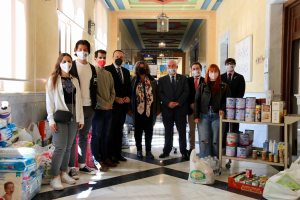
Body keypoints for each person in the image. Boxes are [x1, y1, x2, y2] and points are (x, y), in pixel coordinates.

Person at [46, 53, 84, 190]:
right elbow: (49, 101)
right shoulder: (53, 79)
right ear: (59, 62)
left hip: (74, 116)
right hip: (60, 116)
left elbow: (79, 101)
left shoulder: (74, 80)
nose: (67, 63)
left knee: (69, 146)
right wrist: (50, 120)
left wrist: (81, 118)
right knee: (60, 147)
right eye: (64, 61)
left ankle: (64, 173)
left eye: (69, 61)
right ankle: (54, 177)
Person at [68, 40, 97, 179]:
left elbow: (94, 87)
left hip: (89, 106)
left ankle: (82, 164)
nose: (83, 51)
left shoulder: (92, 68)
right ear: (75, 50)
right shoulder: (71, 66)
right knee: (73, 137)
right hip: (75, 107)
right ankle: (71, 167)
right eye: (80, 49)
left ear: (89, 52)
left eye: (85, 49)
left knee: (84, 136)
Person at [194, 64, 231, 158]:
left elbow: (228, 101)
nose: (213, 73)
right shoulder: (202, 85)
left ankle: (215, 162)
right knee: (204, 140)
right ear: (208, 73)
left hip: (218, 117)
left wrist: (222, 109)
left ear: (218, 73)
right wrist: (196, 115)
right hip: (204, 116)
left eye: (215, 71)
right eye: (211, 71)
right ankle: (205, 162)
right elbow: (197, 100)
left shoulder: (224, 86)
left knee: (216, 141)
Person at [127, 61, 161, 159]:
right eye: (139, 67)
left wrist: (158, 108)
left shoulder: (152, 81)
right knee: (138, 131)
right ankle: (139, 150)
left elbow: (156, 96)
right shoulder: (133, 80)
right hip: (137, 111)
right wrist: (129, 108)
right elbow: (130, 95)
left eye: (143, 67)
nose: (141, 69)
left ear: (146, 69)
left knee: (149, 131)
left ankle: (148, 150)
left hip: (149, 110)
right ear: (136, 69)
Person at [157, 60, 190, 160]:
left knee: (182, 132)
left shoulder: (184, 78)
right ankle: (166, 150)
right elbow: (160, 93)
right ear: (166, 68)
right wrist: (168, 103)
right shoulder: (162, 80)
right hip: (167, 109)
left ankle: (184, 151)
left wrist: (178, 102)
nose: (171, 68)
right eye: (169, 66)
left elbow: (186, 91)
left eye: (173, 66)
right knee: (168, 131)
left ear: (177, 67)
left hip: (180, 109)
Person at [91, 49, 116, 171]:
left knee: (105, 135)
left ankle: (105, 157)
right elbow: (92, 93)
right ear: (95, 59)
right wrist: (103, 104)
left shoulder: (108, 74)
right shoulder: (92, 73)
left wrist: (109, 103)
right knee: (96, 135)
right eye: (100, 57)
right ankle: (97, 160)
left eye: (104, 58)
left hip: (108, 110)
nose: (102, 60)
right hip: (97, 110)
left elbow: (113, 91)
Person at [105, 50, 131, 163]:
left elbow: (128, 87)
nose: (118, 58)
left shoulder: (126, 71)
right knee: (111, 131)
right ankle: (110, 155)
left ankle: (118, 153)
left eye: (121, 57)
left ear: (123, 59)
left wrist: (128, 97)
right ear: (112, 57)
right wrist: (115, 98)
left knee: (119, 131)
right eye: (116, 56)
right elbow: (105, 88)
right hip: (111, 106)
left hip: (122, 107)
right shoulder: (107, 70)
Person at [221, 58, 245, 147]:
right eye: (228, 63)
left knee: (235, 127)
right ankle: (224, 146)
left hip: (236, 106)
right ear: (225, 65)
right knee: (224, 127)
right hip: (224, 106)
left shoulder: (240, 77)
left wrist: (234, 103)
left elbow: (241, 92)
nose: (229, 65)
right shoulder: (221, 77)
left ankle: (235, 145)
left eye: (231, 63)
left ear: (234, 65)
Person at [187, 62, 205, 155]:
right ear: (191, 70)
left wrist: (198, 104)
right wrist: (191, 103)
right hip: (191, 109)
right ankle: (191, 148)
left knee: (202, 130)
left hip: (201, 110)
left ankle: (202, 148)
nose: (195, 70)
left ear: (201, 69)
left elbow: (206, 96)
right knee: (191, 130)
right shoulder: (188, 80)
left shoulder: (205, 81)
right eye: (193, 69)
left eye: (197, 68)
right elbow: (186, 94)